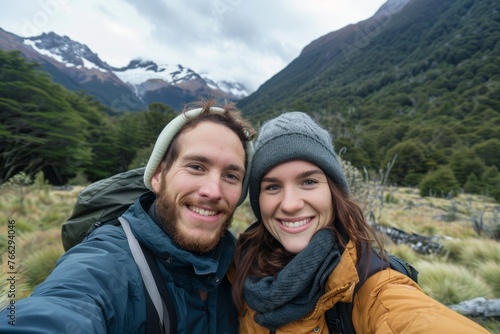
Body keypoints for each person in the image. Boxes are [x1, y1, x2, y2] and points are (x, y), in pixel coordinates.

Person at [0, 99, 255, 333]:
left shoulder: (244, 269)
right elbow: (61, 308)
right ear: (157, 176)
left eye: (231, 176)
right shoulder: (109, 261)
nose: (213, 191)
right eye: (196, 167)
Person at [231, 111, 489, 333]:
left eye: (308, 181)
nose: (289, 204)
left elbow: (414, 318)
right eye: (273, 186)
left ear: (334, 192)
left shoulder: (373, 287)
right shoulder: (232, 270)